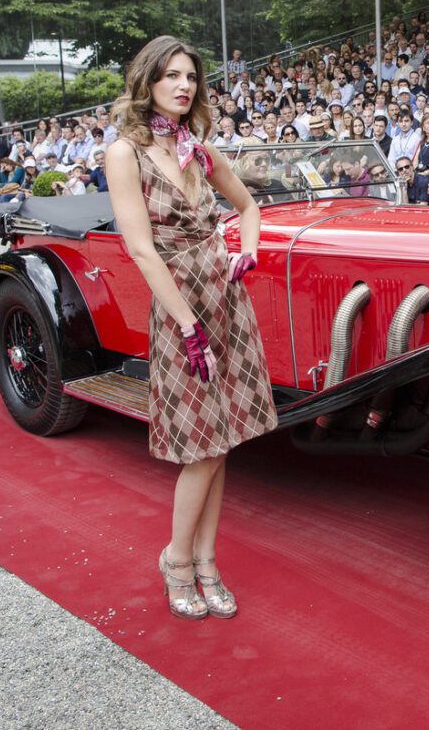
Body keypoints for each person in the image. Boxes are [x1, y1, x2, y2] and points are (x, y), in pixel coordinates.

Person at [103, 36, 278, 621]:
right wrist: (187, 325)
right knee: (201, 446)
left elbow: (249, 207)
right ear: (147, 80)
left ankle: (206, 562)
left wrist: (246, 252)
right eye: (171, 75)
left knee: (221, 443)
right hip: (182, 311)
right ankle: (176, 560)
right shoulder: (124, 153)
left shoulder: (198, 150)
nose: (184, 86)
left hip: (225, 302)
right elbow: (141, 249)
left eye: (191, 77)